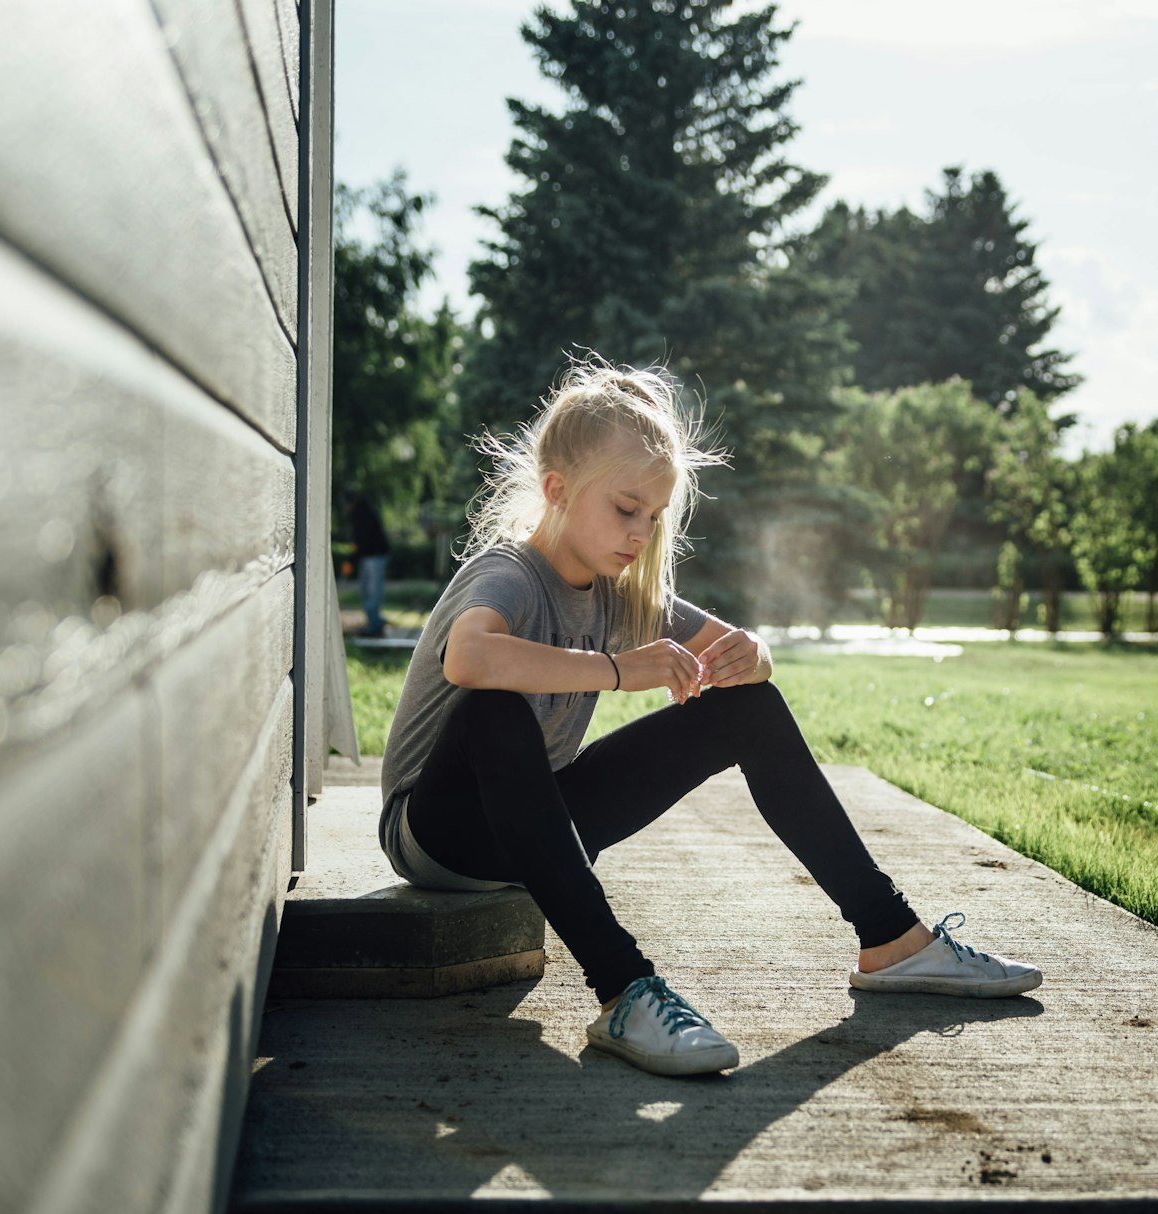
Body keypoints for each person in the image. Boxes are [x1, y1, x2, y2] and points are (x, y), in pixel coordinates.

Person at [376, 355, 1041, 1078]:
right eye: (625, 508)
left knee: (747, 707)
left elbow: (745, 657)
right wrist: (622, 670)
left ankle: (893, 941)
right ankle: (625, 989)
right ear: (557, 490)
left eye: (654, 516)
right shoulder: (508, 572)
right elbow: (469, 658)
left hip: (538, 823)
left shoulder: (617, 591)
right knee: (492, 712)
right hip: (436, 831)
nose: (639, 532)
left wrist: (750, 654)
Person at [344, 491, 392, 637]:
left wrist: (352, 560)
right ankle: (374, 621)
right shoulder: (361, 514)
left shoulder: (363, 515)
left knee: (372, 591)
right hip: (368, 557)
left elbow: (362, 541)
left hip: (375, 556)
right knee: (366, 590)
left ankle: (375, 626)